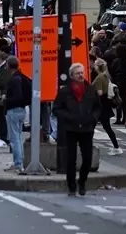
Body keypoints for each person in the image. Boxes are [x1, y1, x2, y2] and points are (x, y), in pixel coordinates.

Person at [52, 62, 101, 196]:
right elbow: (56, 108)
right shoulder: (64, 91)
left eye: (82, 72)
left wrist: (93, 118)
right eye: (78, 73)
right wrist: (68, 117)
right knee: (70, 159)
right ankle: (71, 185)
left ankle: (82, 181)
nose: (80, 75)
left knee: (87, 158)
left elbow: (98, 107)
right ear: (72, 76)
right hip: (70, 128)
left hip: (86, 128)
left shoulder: (90, 89)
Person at [3, 56, 31, 173]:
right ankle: (18, 162)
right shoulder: (23, 77)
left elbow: (17, 96)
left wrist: (5, 99)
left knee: (14, 138)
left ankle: (18, 163)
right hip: (22, 109)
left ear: (8, 66)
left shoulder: (14, 80)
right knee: (18, 136)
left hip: (13, 110)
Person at [93, 59, 121, 156]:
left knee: (91, 125)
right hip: (105, 104)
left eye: (95, 64)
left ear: (97, 66)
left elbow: (100, 92)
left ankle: (116, 147)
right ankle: (116, 147)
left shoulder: (100, 77)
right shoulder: (106, 76)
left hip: (100, 105)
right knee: (106, 127)